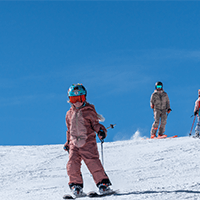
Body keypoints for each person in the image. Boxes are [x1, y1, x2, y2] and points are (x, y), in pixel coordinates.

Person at [63, 83, 112, 198]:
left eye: (80, 98)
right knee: (72, 165)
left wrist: (100, 131)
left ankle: (103, 184)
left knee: (93, 163)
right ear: (69, 100)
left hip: (87, 143)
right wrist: (68, 142)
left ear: (85, 97)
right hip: (74, 144)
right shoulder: (69, 114)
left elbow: (96, 124)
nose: (77, 102)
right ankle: (76, 186)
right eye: (74, 99)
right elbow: (69, 130)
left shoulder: (89, 111)